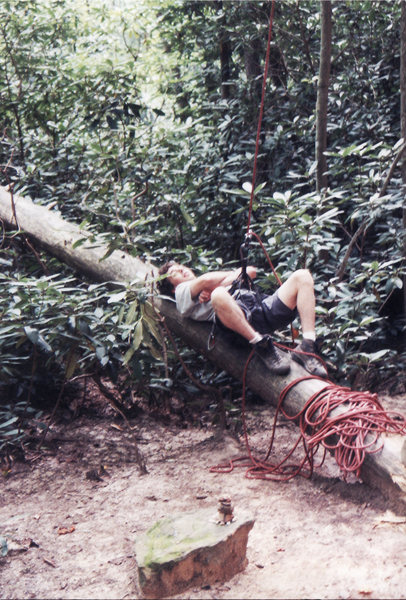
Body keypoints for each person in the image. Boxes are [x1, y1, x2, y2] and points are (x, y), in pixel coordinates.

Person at [158, 261, 327, 378]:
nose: (181, 269)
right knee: (218, 295)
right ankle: (261, 345)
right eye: (174, 273)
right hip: (240, 328)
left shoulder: (206, 287)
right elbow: (207, 279)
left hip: (259, 310)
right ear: (173, 289)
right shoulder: (181, 295)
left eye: (180, 266)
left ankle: (307, 346)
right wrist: (218, 283)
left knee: (302, 276)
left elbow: (250, 272)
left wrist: (211, 285)